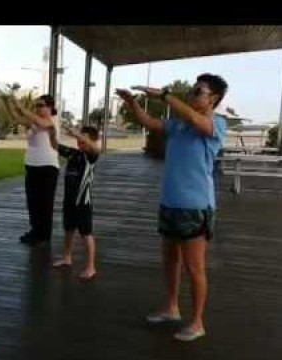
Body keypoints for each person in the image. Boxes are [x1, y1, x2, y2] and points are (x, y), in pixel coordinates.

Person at [115, 73, 228, 342]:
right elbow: (148, 122)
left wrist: (164, 95)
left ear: (214, 99)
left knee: (194, 267)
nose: (192, 93)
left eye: (198, 91)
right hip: (170, 202)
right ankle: (171, 307)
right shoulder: (179, 125)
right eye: (193, 89)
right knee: (170, 260)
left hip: (195, 206)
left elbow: (195, 119)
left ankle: (197, 322)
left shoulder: (217, 123)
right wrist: (133, 104)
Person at [6, 94, 60, 246]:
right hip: (32, 165)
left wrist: (22, 108)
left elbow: (41, 123)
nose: (37, 108)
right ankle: (35, 231)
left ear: (50, 107)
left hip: (48, 166)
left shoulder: (51, 121)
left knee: (45, 203)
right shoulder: (35, 122)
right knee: (33, 202)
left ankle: (44, 235)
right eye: (36, 105)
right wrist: (11, 105)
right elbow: (17, 120)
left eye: (41, 105)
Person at [48, 125, 100, 280]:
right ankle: (67, 257)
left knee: (86, 234)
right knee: (69, 229)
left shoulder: (91, 156)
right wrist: (52, 134)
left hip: (83, 201)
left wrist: (76, 133)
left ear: (91, 140)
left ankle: (91, 267)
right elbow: (55, 145)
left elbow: (94, 148)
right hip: (69, 200)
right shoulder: (73, 154)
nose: (79, 141)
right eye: (78, 139)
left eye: (83, 138)